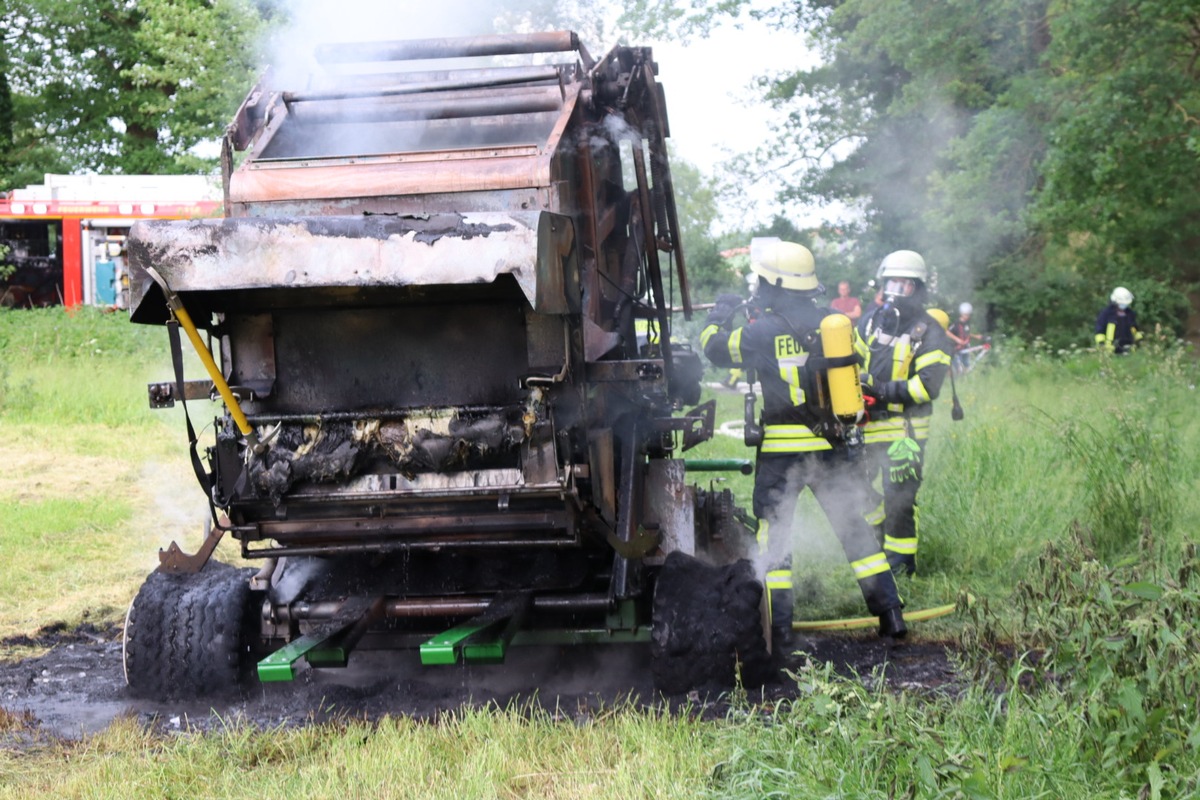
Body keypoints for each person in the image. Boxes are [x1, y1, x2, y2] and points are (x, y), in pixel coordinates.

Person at [700, 238, 907, 642]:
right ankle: (891, 615)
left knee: (775, 536)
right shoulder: (834, 325)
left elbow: (714, 349)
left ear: (775, 286)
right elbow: (859, 361)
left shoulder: (760, 332)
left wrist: (720, 314)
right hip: (830, 445)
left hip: (782, 452)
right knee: (854, 529)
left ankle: (779, 628)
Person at [857, 250, 953, 577]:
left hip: (905, 435)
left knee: (899, 500)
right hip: (866, 429)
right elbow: (851, 359)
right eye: (892, 282)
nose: (897, 290)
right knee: (854, 489)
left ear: (918, 288)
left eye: (905, 284)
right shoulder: (870, 321)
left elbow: (928, 388)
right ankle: (877, 544)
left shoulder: (930, 332)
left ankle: (901, 566)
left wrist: (880, 390)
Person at [1094, 287, 1143, 354]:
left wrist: (1140, 342)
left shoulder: (1130, 314)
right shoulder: (1106, 314)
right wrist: (1101, 344)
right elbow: (1100, 330)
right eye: (1122, 303)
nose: (1124, 305)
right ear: (1115, 301)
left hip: (1129, 349)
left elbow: (1135, 329)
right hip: (1110, 351)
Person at [947, 302, 981, 373]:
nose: (967, 316)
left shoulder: (967, 324)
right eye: (965, 314)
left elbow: (967, 333)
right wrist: (958, 340)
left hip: (965, 349)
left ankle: (965, 381)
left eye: (968, 315)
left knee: (967, 367)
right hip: (957, 350)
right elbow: (947, 332)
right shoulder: (956, 323)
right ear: (961, 314)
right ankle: (957, 381)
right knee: (959, 370)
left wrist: (975, 336)